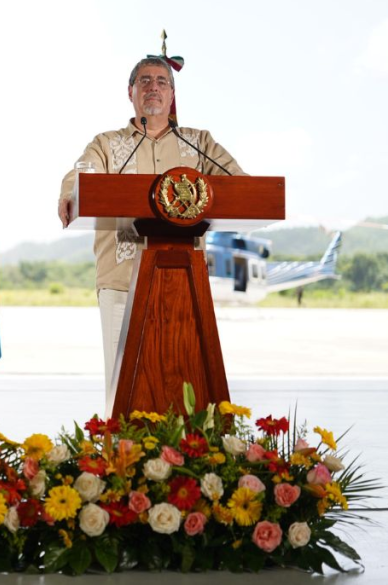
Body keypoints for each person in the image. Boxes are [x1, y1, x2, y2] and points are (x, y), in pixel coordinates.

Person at [58, 57, 247, 416]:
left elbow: (236, 180)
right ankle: (122, 463)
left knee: (186, 383)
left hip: (185, 281)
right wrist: (71, 193)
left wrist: (249, 192)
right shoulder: (107, 143)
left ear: (172, 94)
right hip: (121, 281)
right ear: (130, 92)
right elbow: (83, 174)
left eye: (161, 81)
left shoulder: (200, 143)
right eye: (144, 80)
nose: (153, 87)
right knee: (123, 389)